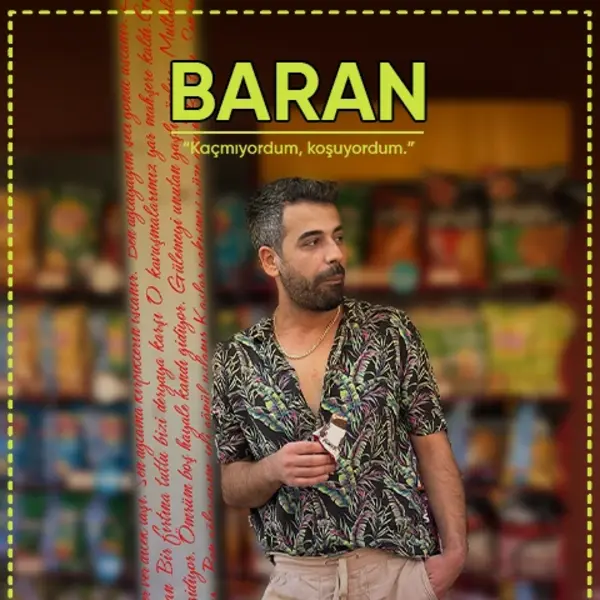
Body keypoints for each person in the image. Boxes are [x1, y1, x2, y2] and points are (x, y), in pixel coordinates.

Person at [211, 177, 467, 600]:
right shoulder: (237, 360)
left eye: (338, 237)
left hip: (396, 576)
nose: (335, 254)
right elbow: (232, 483)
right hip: (298, 583)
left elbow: (433, 446)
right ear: (271, 260)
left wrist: (455, 554)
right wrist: (272, 470)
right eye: (313, 242)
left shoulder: (389, 332)